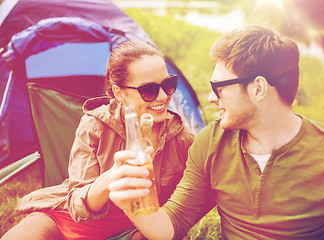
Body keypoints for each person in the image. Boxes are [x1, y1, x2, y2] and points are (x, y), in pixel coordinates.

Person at [108, 25, 324, 239]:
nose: (210, 97)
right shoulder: (211, 143)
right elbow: (170, 226)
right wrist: (135, 204)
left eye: (218, 87)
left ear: (258, 89)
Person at [1, 40, 195, 240]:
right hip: (69, 220)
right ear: (119, 93)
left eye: (168, 84)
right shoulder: (94, 126)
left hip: (138, 228)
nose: (163, 96)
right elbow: (78, 204)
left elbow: (179, 213)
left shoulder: (183, 140)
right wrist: (111, 178)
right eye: (149, 90)